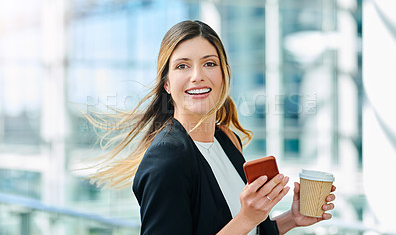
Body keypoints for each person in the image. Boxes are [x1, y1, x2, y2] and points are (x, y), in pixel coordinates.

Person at [88, 20, 336, 234]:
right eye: (182, 66)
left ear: (225, 74)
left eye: (209, 63)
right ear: (166, 83)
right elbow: (242, 224)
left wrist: (291, 219)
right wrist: (247, 218)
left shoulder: (227, 139)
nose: (197, 75)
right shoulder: (167, 159)